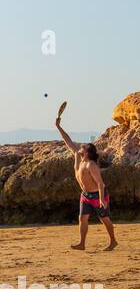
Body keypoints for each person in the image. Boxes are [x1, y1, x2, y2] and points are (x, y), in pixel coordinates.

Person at [55, 102, 117, 251]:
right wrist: (58, 127)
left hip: (97, 195)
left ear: (88, 152)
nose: (80, 147)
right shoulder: (78, 157)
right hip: (85, 195)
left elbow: (101, 184)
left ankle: (113, 241)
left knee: (105, 219)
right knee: (82, 218)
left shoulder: (91, 165)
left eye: (83, 147)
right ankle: (82, 243)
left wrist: (102, 198)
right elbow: (68, 141)